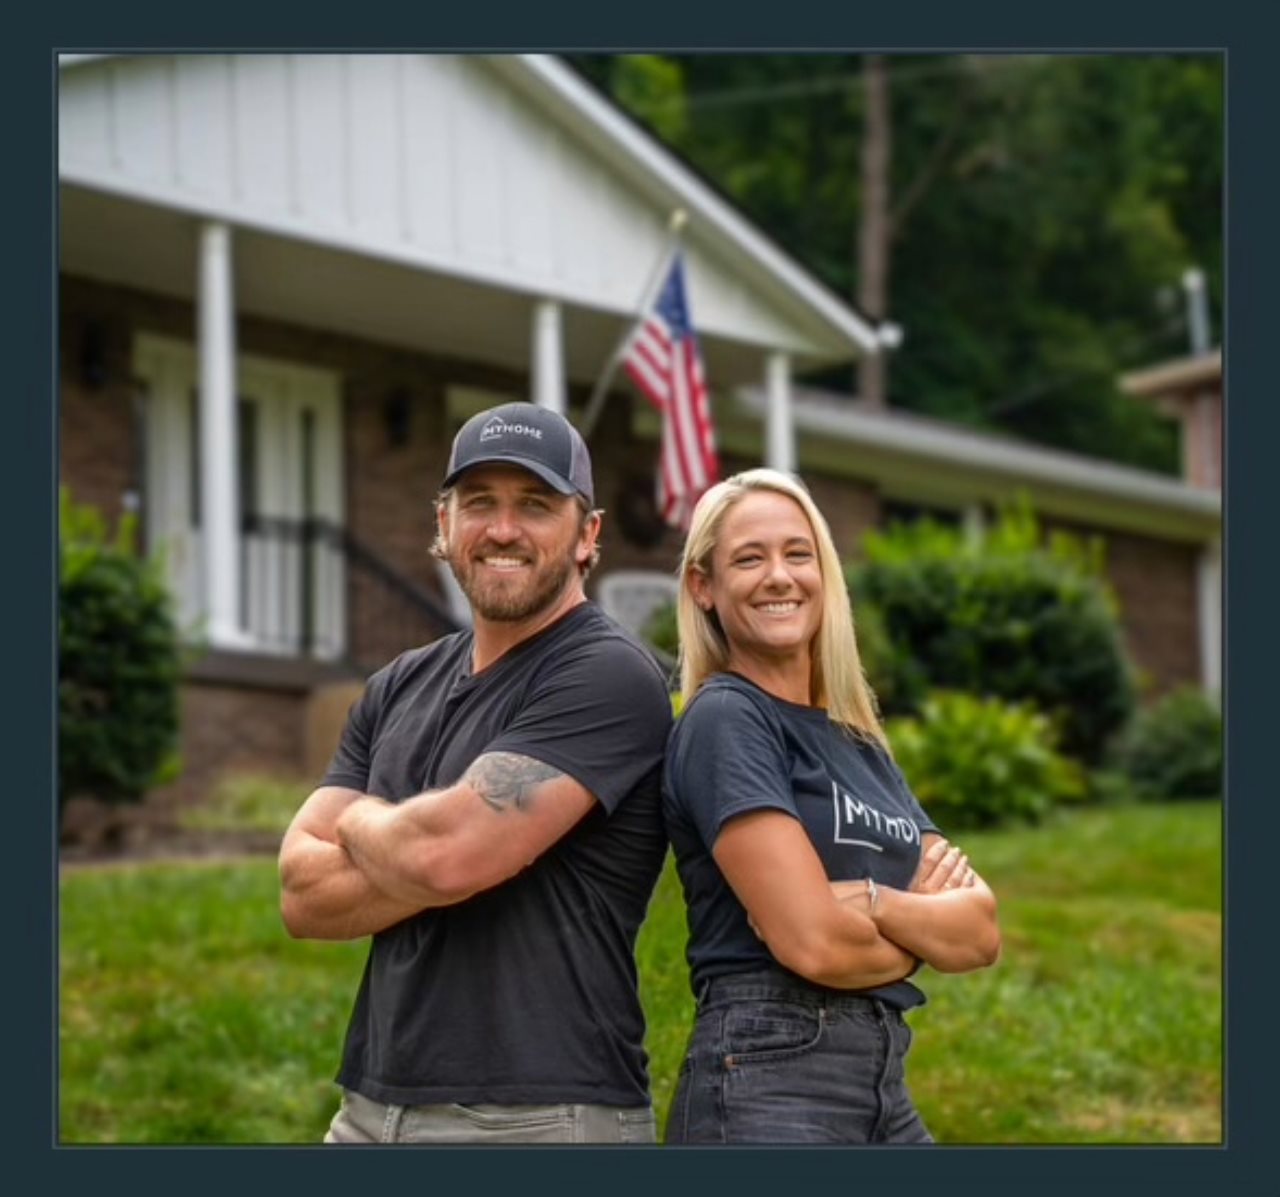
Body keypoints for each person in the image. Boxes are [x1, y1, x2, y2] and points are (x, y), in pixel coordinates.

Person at [278, 402, 673, 1145]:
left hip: (538, 1115)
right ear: (443, 522)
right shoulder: (397, 684)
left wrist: (359, 822)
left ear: (588, 534)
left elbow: (448, 855)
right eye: (479, 502)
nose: (502, 529)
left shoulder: (610, 674)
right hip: (369, 1108)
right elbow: (302, 895)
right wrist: (426, 851)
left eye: (535, 505)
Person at [661, 468, 1001, 1145]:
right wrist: (920, 932)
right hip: (769, 1071)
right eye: (749, 558)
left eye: (798, 552)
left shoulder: (858, 742)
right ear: (704, 587)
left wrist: (875, 903)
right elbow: (812, 941)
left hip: (881, 1079)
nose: (779, 576)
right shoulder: (728, 719)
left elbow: (980, 931)